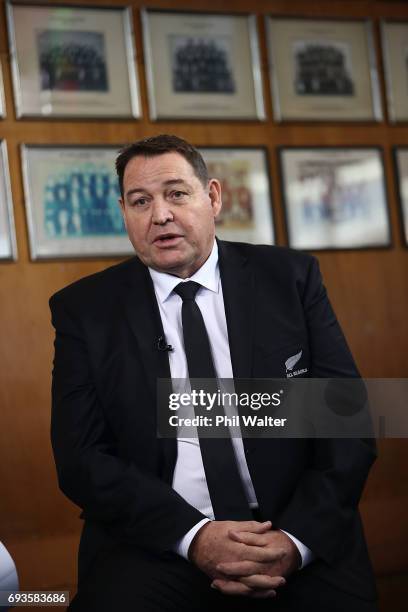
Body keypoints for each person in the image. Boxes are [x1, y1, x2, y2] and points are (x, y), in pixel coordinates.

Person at [50, 134, 378, 611]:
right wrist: (194, 536)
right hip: (160, 540)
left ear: (214, 197)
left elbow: (348, 427)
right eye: (140, 201)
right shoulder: (85, 310)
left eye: (177, 194)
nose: (159, 214)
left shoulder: (290, 279)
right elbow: (81, 458)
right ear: (124, 213)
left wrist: (294, 542)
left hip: (292, 526)